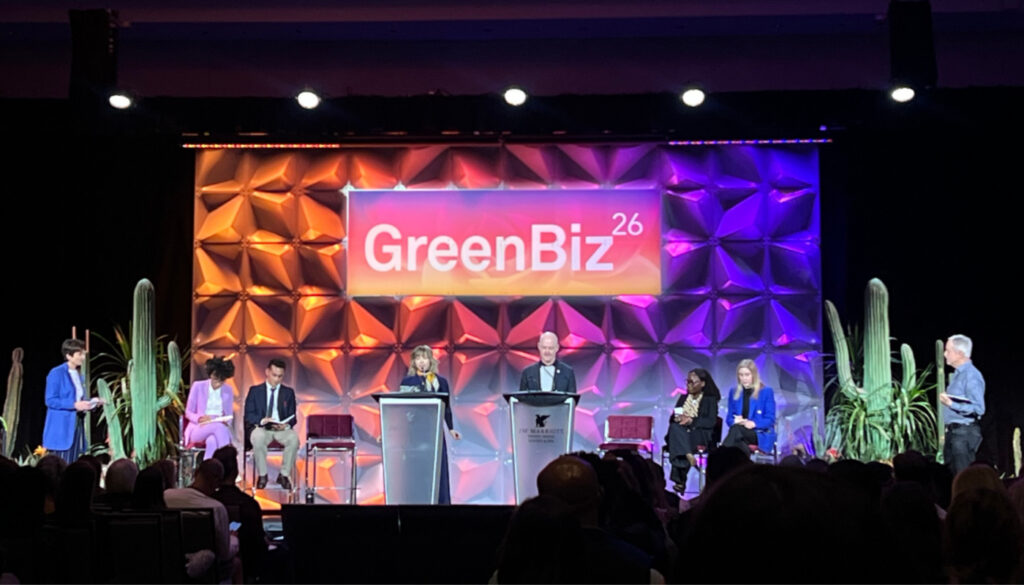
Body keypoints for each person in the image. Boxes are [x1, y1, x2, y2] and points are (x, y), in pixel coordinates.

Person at [399, 344, 462, 504]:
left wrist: (451, 428)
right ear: (414, 362)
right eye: (418, 358)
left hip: (434, 431)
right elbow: (401, 408)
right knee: (416, 468)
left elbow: (446, 406)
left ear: (431, 361)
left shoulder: (441, 382)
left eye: (425, 358)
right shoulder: (408, 381)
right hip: (415, 432)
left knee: (437, 467)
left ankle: (440, 503)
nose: (421, 362)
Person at [211, 445, 269, 583]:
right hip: (248, 568)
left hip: (213, 569)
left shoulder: (208, 502)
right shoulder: (249, 504)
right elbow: (258, 544)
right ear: (236, 471)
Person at [42, 338, 102, 463]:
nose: (83, 357)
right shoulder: (57, 373)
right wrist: (74, 405)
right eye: (80, 354)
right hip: (62, 429)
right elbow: (50, 400)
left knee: (72, 464)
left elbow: (79, 399)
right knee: (61, 465)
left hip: (76, 425)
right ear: (69, 356)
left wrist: (93, 402)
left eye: (83, 354)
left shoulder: (78, 374)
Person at [243, 358, 299, 490]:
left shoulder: (288, 392)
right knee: (258, 437)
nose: (277, 379)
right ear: (267, 372)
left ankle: (284, 475)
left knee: (294, 438)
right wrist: (262, 420)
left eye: (280, 376)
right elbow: (249, 415)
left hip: (281, 429)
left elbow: (293, 417)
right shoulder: (255, 391)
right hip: (262, 427)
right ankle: (263, 475)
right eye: (274, 375)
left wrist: (286, 425)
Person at [665, 368, 721, 491]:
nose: (689, 385)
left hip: (700, 433)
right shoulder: (683, 398)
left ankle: (680, 480)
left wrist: (691, 420)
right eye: (687, 381)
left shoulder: (710, 400)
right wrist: (678, 418)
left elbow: (711, 421)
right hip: (681, 432)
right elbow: (674, 417)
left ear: (703, 383)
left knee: (677, 439)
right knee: (675, 427)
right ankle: (688, 454)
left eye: (692, 382)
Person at [938, 334, 985, 476]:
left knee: (963, 478)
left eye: (948, 351)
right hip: (954, 433)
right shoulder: (958, 375)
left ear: (959, 353)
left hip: (964, 433)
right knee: (951, 478)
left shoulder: (971, 375)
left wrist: (951, 404)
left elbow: (979, 408)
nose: (945, 354)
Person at [184, 356, 236, 461]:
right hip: (199, 427)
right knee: (219, 428)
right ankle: (228, 463)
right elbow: (188, 412)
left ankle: (207, 467)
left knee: (212, 441)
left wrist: (221, 420)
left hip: (218, 426)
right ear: (211, 374)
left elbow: (229, 416)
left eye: (222, 381)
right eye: (216, 379)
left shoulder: (228, 390)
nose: (218, 384)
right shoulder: (198, 386)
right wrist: (199, 418)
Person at [721, 359, 776, 454]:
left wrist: (753, 423)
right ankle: (738, 460)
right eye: (741, 375)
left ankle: (720, 454)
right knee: (738, 440)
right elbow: (729, 419)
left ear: (754, 375)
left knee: (736, 431)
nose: (744, 378)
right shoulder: (734, 392)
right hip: (739, 432)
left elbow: (770, 419)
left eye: (747, 375)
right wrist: (735, 421)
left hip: (759, 433)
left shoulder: (766, 391)